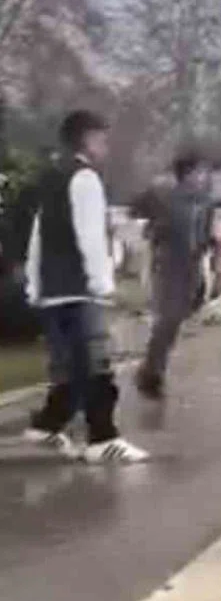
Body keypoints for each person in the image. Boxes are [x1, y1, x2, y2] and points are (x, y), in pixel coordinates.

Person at [21, 110, 149, 462]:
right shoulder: (86, 179)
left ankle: (47, 425)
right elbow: (91, 238)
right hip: (79, 291)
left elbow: (37, 239)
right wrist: (103, 285)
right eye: (103, 140)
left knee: (71, 368)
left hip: (53, 292)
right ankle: (102, 438)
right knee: (94, 367)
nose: (106, 147)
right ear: (88, 139)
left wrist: (35, 286)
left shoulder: (53, 179)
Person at [136, 152, 214, 400]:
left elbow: (206, 235)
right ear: (188, 174)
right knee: (167, 319)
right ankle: (151, 373)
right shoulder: (166, 200)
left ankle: (153, 369)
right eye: (200, 172)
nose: (204, 177)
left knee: (176, 320)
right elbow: (150, 230)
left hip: (193, 265)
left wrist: (206, 258)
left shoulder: (206, 203)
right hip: (169, 265)